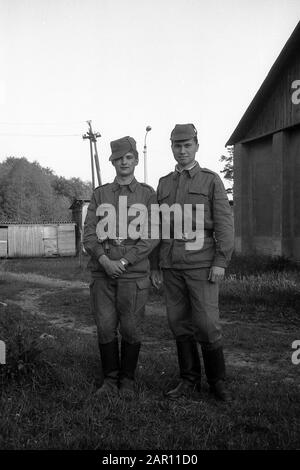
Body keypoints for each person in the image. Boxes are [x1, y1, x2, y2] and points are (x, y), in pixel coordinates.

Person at [151, 123, 234, 401]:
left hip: (202, 263)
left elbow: (224, 224)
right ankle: (188, 380)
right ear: (172, 148)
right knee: (178, 323)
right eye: (177, 145)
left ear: (197, 145)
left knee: (207, 324)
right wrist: (154, 265)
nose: (182, 150)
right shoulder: (163, 183)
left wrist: (220, 261)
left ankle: (217, 383)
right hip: (171, 265)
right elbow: (156, 227)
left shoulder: (211, 180)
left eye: (187, 145)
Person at [83, 136, 158, 399]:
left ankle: (127, 380)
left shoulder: (148, 195)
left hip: (133, 274)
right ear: (112, 161)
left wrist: (124, 261)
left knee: (131, 327)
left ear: (136, 159)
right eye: (119, 158)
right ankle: (110, 380)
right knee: (104, 326)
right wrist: (104, 260)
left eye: (128, 157)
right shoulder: (99, 194)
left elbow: (151, 236)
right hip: (102, 273)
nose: (124, 162)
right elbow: (89, 232)